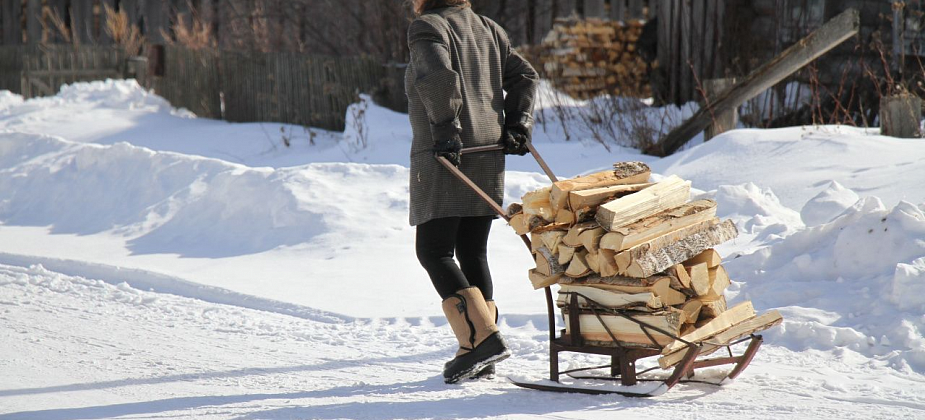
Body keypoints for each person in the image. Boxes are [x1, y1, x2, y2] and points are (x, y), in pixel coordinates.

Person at [405, 0, 539, 384]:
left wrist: (446, 127)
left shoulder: (427, 27)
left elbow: (437, 77)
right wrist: (518, 121)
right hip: (488, 151)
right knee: (471, 250)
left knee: (433, 250)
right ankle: (477, 348)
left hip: (451, 151)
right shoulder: (489, 29)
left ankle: (482, 340)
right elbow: (524, 75)